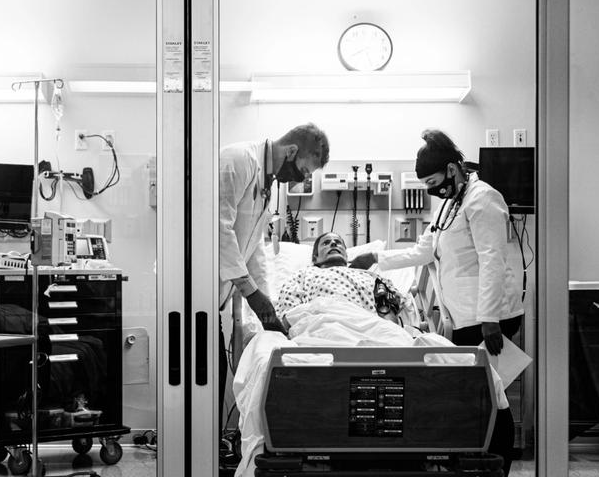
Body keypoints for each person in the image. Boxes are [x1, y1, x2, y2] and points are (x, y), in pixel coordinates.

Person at [350, 128, 523, 474]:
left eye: (433, 181)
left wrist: (490, 319)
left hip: (489, 318)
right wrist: (376, 258)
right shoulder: (449, 205)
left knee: (493, 395)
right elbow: (423, 251)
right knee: (476, 395)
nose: (431, 189)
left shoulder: (483, 199)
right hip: (463, 318)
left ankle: (499, 464)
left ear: (452, 169)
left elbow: (492, 260)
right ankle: (478, 462)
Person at [219, 123, 330, 333]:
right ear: (291, 151)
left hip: (210, 301)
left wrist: (266, 307)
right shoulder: (239, 160)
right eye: (303, 171)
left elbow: (254, 246)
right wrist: (252, 294)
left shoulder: (265, 184)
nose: (301, 179)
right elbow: (218, 232)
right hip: (188, 295)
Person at [274, 232, 418, 329]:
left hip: (369, 329)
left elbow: (389, 315)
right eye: (326, 243)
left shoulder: (372, 277)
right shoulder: (303, 275)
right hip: (320, 328)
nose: (333, 244)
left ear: (346, 255)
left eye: (338, 242)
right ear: (315, 258)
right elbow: (288, 315)